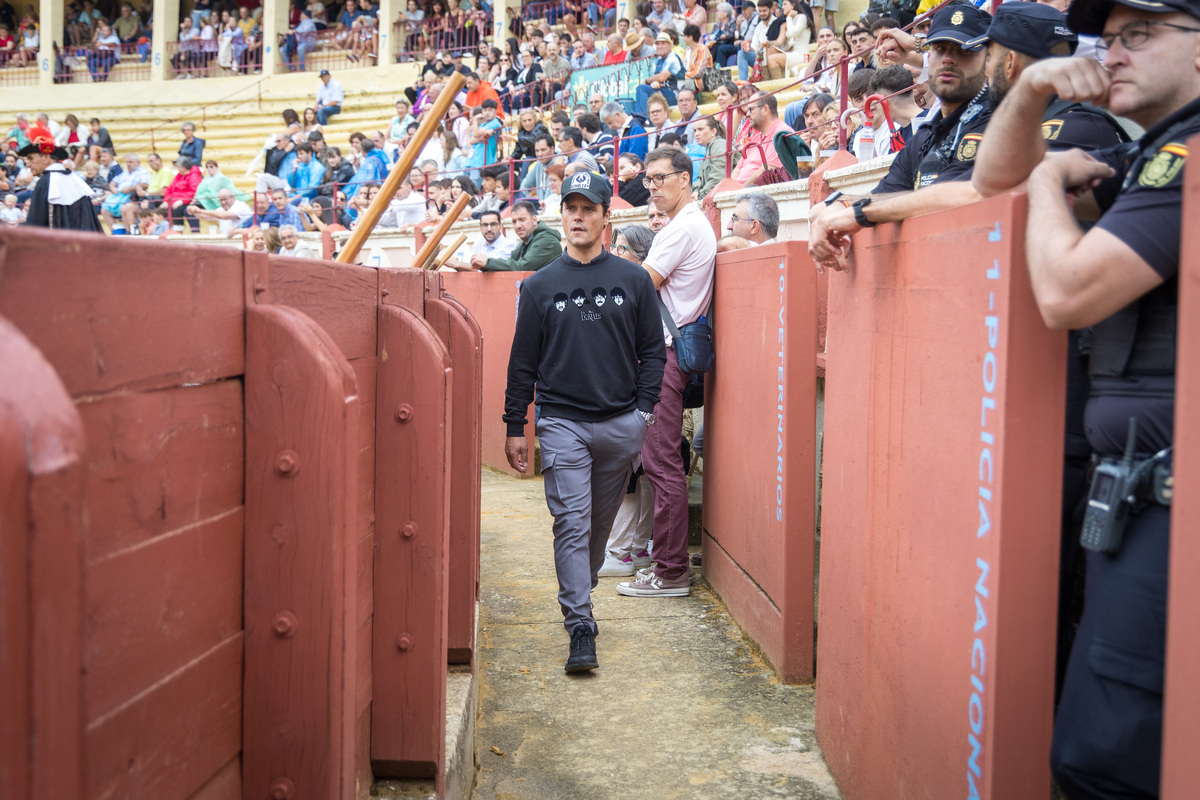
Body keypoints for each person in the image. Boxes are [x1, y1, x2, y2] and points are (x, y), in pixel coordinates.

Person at [969, 0, 1198, 793]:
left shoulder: (1189, 154)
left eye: (1143, 34)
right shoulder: (1157, 151)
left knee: (1107, 762)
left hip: (1173, 500)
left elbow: (1066, 293)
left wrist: (1045, 182)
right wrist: (1030, 94)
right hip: (1140, 491)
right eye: (1111, 36)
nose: (1115, 52)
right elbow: (992, 186)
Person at [502, 171, 666, 673]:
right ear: (562, 216)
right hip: (561, 423)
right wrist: (515, 423)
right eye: (570, 208)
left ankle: (582, 585)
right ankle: (579, 623)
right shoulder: (539, 286)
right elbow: (522, 361)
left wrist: (642, 412)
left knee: (596, 525)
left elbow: (653, 353)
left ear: (605, 217)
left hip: (620, 423)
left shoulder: (634, 279)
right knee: (570, 522)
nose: (578, 216)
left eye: (588, 208)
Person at [616, 146, 716, 599]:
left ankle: (671, 570)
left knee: (661, 463)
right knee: (660, 462)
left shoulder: (682, 228)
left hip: (665, 357)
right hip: (668, 354)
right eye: (649, 180)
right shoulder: (690, 224)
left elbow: (640, 288)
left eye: (660, 179)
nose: (652, 188)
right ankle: (666, 564)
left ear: (685, 178)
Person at [597, 222, 660, 578]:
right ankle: (634, 549)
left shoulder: (637, 290)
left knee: (630, 474)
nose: (616, 255)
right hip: (648, 395)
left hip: (640, 395)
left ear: (640, 255)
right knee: (641, 475)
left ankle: (619, 550)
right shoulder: (642, 289)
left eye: (622, 249)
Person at [20, 125, 102, 232]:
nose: (28, 164)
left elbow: (35, 224)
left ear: (46, 157)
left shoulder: (44, 183)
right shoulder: (74, 180)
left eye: (31, 159)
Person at [467, 200, 562, 271]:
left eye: (522, 220)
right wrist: (483, 266)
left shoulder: (546, 240)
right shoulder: (525, 242)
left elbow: (522, 267)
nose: (518, 226)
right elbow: (509, 265)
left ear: (534, 220)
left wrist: (487, 262)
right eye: (514, 221)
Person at [734, 91, 793, 184]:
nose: (747, 114)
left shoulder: (781, 133)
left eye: (751, 109)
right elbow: (738, 168)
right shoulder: (757, 135)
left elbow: (767, 170)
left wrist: (739, 191)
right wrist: (730, 189)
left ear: (765, 109)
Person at [445, 210, 516, 269]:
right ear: (480, 227)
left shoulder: (509, 244)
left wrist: (458, 264)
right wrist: (456, 264)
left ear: (500, 226)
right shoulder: (479, 242)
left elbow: (489, 269)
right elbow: (472, 265)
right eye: (485, 225)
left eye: (493, 224)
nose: (489, 229)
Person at [636, 32, 685, 113]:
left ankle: (644, 119)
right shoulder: (658, 60)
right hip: (664, 91)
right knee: (642, 89)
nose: (659, 46)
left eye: (663, 44)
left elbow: (661, 77)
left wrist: (647, 80)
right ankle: (645, 119)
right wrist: (653, 82)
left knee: (641, 89)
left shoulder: (673, 58)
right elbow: (655, 78)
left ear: (670, 45)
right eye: (658, 44)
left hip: (676, 95)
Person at [186, 187, 253, 235]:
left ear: (233, 197)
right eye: (221, 200)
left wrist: (200, 210)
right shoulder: (221, 209)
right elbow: (205, 217)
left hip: (240, 238)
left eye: (225, 199)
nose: (223, 202)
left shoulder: (241, 206)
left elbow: (222, 216)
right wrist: (194, 212)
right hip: (226, 239)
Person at [693, 117, 728, 198]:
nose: (696, 134)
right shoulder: (709, 149)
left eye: (700, 129)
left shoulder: (719, 145)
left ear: (713, 131)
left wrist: (701, 195)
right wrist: (696, 191)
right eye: (695, 130)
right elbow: (700, 179)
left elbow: (718, 176)